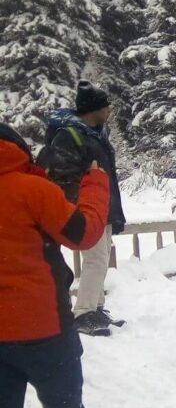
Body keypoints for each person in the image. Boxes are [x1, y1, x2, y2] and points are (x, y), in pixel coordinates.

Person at [0, 124, 124, 408]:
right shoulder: (29, 190)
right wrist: (95, 182)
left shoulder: (28, 186)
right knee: (65, 407)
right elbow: (82, 232)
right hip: (43, 324)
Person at [40, 81, 127, 337]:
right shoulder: (70, 136)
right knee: (96, 258)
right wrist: (83, 204)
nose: (110, 110)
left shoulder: (96, 133)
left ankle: (96, 307)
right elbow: (64, 175)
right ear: (93, 109)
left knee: (101, 258)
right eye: (105, 106)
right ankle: (84, 313)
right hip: (88, 207)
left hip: (103, 205)